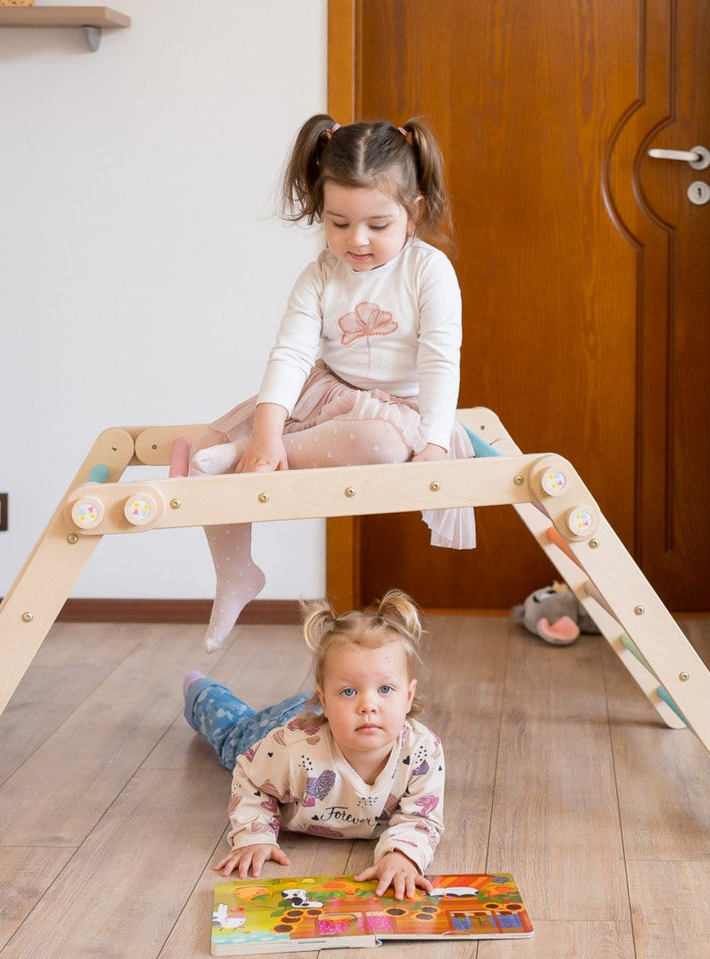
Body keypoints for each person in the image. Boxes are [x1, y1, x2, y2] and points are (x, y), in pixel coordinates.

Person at [189, 114, 476, 652]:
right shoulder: (321, 273)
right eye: (339, 223)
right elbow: (291, 354)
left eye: (377, 225)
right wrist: (266, 434)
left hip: (398, 409)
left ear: (412, 215)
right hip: (327, 392)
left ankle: (236, 462)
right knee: (206, 443)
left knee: (382, 446)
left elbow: (441, 360)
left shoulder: (428, 271)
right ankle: (235, 572)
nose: (356, 240)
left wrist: (435, 443)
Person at [183, 589, 445, 899]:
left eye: (385, 688)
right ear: (324, 698)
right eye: (349, 692)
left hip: (325, 717)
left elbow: (421, 816)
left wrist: (403, 855)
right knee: (232, 736)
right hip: (284, 726)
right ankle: (201, 693)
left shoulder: (422, 752)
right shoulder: (291, 749)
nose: (368, 705)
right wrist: (255, 835)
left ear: (409, 697)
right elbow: (252, 779)